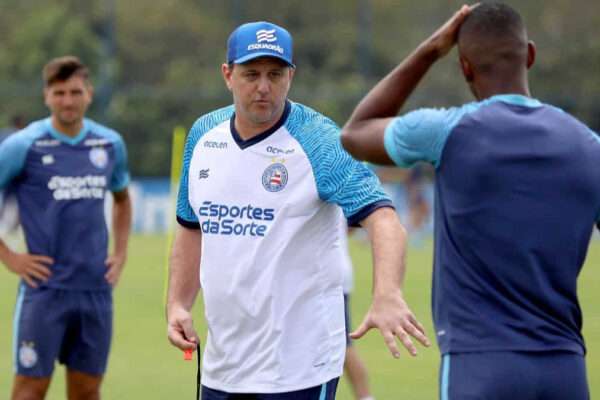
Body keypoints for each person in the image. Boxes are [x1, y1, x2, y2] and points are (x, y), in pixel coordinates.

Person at [341, 3, 600, 399]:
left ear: (464, 67)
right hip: (564, 367)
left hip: (479, 366)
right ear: (529, 55)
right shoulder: (589, 147)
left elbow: (356, 132)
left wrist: (431, 49)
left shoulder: (448, 130)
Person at [166, 21, 429, 400]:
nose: (263, 86)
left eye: (275, 74)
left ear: (291, 75)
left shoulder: (320, 141)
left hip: (300, 369)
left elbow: (384, 218)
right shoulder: (203, 135)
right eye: (251, 74)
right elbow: (191, 226)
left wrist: (387, 292)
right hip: (224, 366)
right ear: (227, 74)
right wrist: (178, 303)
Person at [0, 56, 132, 400]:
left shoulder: (109, 145)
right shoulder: (23, 145)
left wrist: (120, 254)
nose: (68, 101)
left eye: (75, 92)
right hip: (44, 291)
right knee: (29, 391)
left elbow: (122, 200)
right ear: (46, 96)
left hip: (95, 291)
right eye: (59, 93)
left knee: (88, 392)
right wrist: (9, 256)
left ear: (89, 93)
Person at [339, 223, 375, 400]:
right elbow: (351, 226)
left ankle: (365, 397)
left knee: (343, 346)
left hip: (329, 279)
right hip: (335, 275)